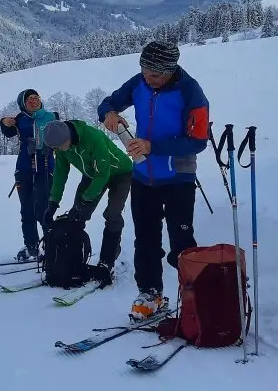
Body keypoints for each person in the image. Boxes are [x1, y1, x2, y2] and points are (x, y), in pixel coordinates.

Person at [97, 40, 210, 321]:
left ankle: (194, 296)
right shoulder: (139, 82)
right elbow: (108, 102)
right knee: (146, 240)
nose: (149, 78)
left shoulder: (191, 92)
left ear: (170, 70)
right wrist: (109, 113)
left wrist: (152, 147)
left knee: (182, 242)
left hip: (178, 178)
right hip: (143, 176)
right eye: (145, 72)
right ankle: (151, 294)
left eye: (155, 74)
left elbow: (198, 141)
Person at [41, 119, 133, 287]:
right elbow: (60, 173)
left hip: (120, 173)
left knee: (112, 214)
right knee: (77, 215)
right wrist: (53, 203)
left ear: (68, 136)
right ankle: (70, 259)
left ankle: (107, 261)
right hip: (92, 174)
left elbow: (103, 174)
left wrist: (85, 199)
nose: (60, 149)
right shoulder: (61, 146)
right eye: (56, 148)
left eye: (61, 145)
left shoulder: (93, 137)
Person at [0, 89, 58, 262]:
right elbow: (7, 131)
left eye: (36, 98)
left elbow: (62, 135)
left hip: (45, 169)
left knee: (44, 209)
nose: (34, 101)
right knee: (27, 210)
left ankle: (51, 246)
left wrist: (50, 145)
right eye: (29, 99)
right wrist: (4, 122)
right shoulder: (20, 119)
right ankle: (32, 247)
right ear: (23, 104)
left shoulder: (51, 117)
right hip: (24, 169)